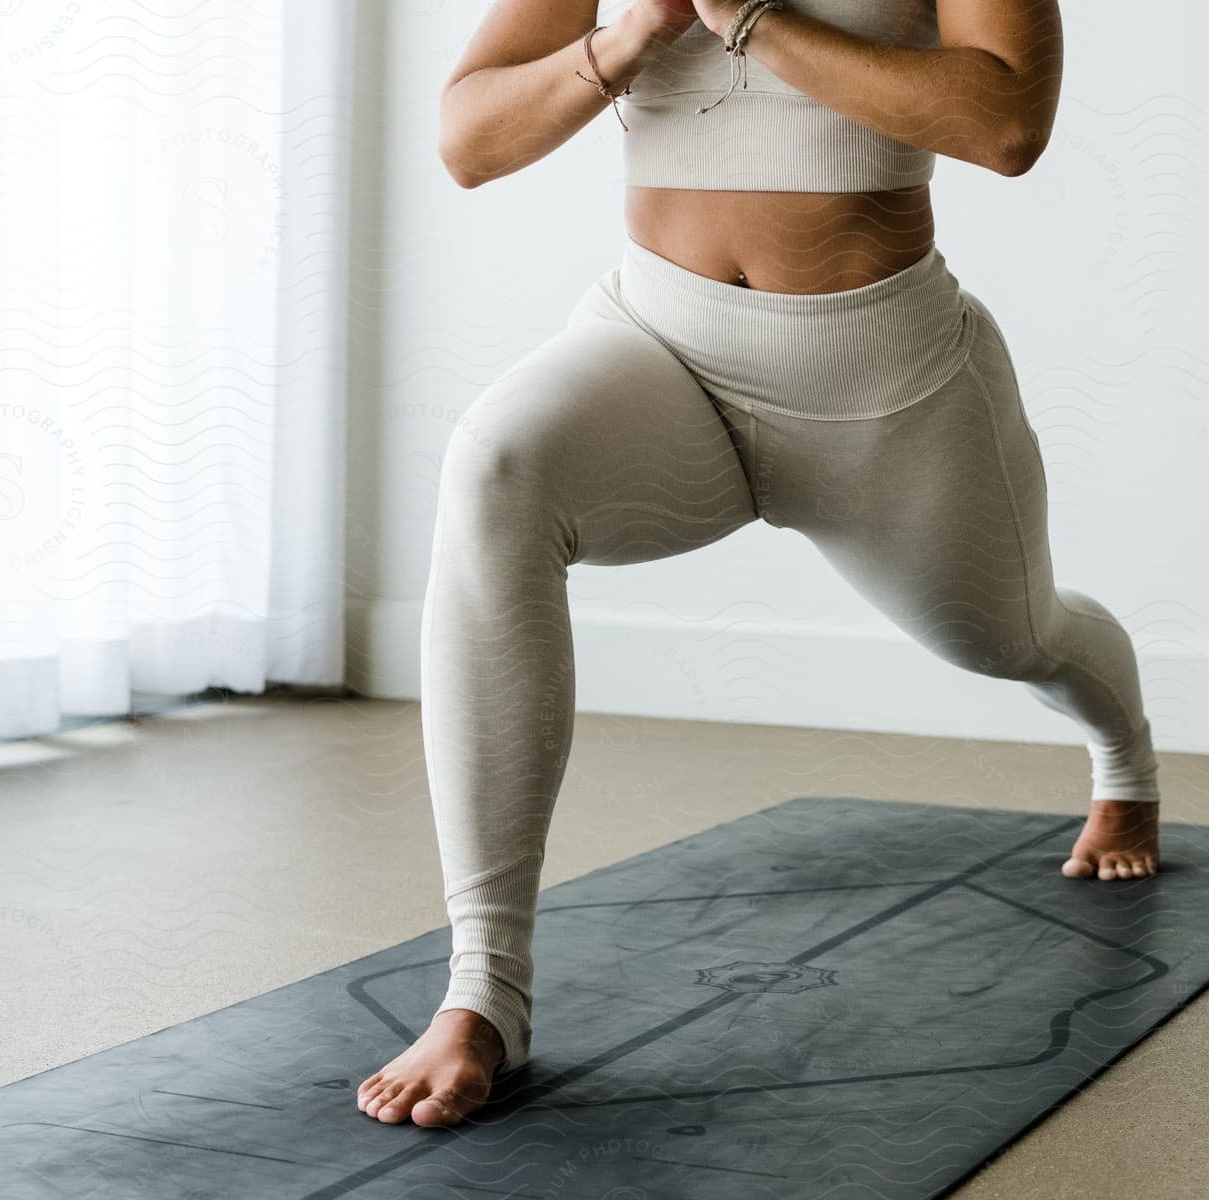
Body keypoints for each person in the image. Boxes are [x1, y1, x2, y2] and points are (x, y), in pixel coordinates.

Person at [358, 0, 1161, 1130]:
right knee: (496, 465)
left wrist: (749, 19)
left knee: (1009, 639)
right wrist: (628, 39)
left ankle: (1123, 760)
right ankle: (484, 991)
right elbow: (468, 143)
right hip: (657, 343)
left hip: (886, 378)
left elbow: (1005, 124)